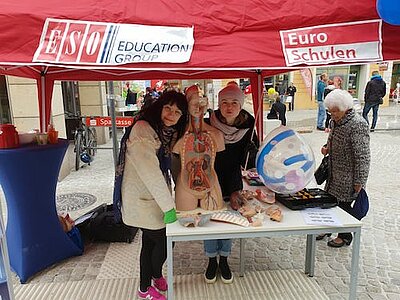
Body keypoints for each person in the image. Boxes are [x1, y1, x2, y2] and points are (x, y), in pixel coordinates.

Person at [119, 90, 188, 300]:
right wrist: (169, 208)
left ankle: (146, 284)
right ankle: (151, 280)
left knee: (149, 242)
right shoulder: (142, 131)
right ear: (159, 106)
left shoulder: (160, 130)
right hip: (142, 199)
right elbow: (151, 174)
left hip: (151, 199)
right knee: (167, 241)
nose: (171, 114)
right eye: (168, 107)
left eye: (177, 112)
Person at [203, 83, 259, 284]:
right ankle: (211, 260)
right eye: (225, 102)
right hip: (211, 176)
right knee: (210, 219)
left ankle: (224, 259)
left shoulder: (249, 122)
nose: (229, 107)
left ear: (241, 104)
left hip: (234, 177)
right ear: (219, 104)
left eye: (234, 102)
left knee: (229, 218)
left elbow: (252, 152)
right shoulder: (209, 120)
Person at [316, 89, 370, 248]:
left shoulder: (358, 124)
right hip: (334, 171)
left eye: (335, 111)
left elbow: (363, 156)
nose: (332, 115)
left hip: (349, 175)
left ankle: (344, 236)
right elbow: (331, 138)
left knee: (344, 205)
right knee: (329, 201)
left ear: (346, 108)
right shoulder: (335, 121)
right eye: (330, 111)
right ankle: (328, 228)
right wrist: (327, 147)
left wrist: (360, 181)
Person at [173, 85, 225, 211]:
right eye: (194, 103)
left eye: (202, 103)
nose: (198, 108)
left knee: (214, 221)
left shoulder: (216, 134)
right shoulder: (178, 136)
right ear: (187, 104)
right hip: (185, 184)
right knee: (185, 219)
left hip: (211, 183)